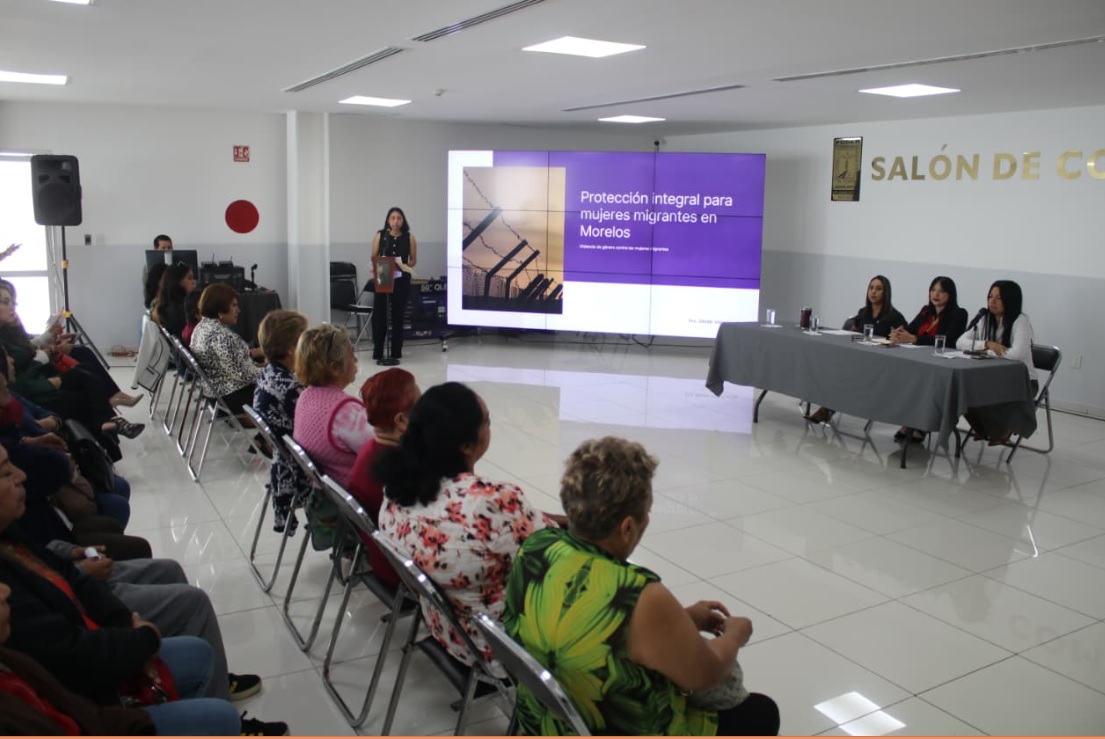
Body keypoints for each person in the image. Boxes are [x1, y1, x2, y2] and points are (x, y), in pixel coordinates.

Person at [503, 437, 780, 736]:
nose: (647, 519)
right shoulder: (640, 593)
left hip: (545, 721)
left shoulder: (538, 546)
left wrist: (683, 619)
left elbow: (592, 630)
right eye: (646, 512)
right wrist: (736, 634)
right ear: (627, 528)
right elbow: (706, 674)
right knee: (761, 712)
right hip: (618, 727)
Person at [0, 446, 287, 735]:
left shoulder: (10, 535)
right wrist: (141, 641)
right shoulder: (10, 593)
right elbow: (73, 655)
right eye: (6, 472)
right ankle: (218, 713)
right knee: (194, 605)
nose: (20, 475)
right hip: (90, 694)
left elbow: (68, 575)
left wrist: (125, 623)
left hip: (86, 615)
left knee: (171, 573)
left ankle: (214, 687)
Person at [376, 382, 556, 674]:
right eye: (487, 422)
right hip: (502, 650)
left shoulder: (395, 489)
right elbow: (557, 555)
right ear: (467, 445)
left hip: (447, 628)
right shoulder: (492, 503)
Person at [0, 581, 266, 736]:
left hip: (99, 699)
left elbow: (79, 580)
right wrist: (140, 642)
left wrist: (130, 634)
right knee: (222, 717)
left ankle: (212, 694)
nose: (4, 591)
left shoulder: (11, 659)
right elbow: (75, 656)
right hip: (99, 689)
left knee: (199, 652)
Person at [0, 281, 142, 443]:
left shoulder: (10, 327)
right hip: (32, 383)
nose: (12, 308)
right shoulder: (6, 338)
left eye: (13, 302)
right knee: (83, 386)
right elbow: (19, 379)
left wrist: (48, 343)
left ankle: (109, 419)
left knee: (85, 369)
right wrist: (45, 358)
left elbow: (28, 347)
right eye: (6, 302)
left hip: (35, 376)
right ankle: (107, 424)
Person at [347, 368, 420, 588]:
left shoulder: (369, 450)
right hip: (406, 572)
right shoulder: (403, 469)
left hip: (382, 558)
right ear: (401, 420)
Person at [806, 275, 906, 424]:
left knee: (844, 373)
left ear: (886, 293)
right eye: (871, 288)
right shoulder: (863, 312)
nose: (873, 292)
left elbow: (902, 339)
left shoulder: (895, 317)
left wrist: (896, 338)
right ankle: (827, 407)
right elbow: (853, 333)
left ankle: (827, 408)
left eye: (878, 289)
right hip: (859, 359)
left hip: (879, 364)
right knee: (834, 367)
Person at [956, 280, 1038, 445]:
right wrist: (988, 344)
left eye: (998, 298)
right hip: (992, 376)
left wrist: (986, 351)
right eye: (990, 296)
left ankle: (1000, 430)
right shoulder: (985, 319)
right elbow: (960, 342)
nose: (992, 301)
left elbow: (1016, 354)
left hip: (1022, 381)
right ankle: (987, 430)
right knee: (963, 392)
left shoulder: (1020, 321)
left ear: (1010, 300)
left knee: (980, 392)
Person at [889, 276, 970, 442]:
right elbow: (910, 330)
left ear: (950, 294)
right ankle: (910, 420)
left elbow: (949, 341)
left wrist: (914, 339)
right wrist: (899, 334)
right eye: (933, 290)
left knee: (922, 381)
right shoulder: (926, 311)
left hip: (940, 364)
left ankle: (918, 424)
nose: (936, 294)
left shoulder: (959, 314)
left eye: (941, 291)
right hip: (918, 361)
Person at [292, 324, 371, 488]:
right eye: (351, 354)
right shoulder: (346, 413)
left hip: (328, 493)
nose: (356, 360)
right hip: (357, 493)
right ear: (335, 368)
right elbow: (383, 453)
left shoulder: (305, 397)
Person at [254, 310, 310, 533]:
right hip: (301, 473)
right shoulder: (290, 389)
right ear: (291, 350)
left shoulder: (268, 374)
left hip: (283, 463)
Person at [189, 284, 264, 415]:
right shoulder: (222, 336)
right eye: (234, 305)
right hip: (230, 397)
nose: (239, 310)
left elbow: (235, 364)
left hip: (214, 394)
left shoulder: (201, 327)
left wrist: (261, 366)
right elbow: (243, 375)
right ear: (220, 310)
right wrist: (275, 373)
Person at [370, 206, 418, 364]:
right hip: (384, 275)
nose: (395, 221)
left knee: (398, 314)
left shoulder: (409, 237)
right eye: (393, 218)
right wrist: (383, 262)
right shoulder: (381, 235)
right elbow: (373, 256)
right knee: (380, 314)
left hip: (401, 278)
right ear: (388, 220)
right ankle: (378, 350)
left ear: (403, 221)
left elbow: (413, 260)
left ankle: (396, 351)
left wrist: (404, 265)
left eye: (399, 218)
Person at [152, 261, 198, 341]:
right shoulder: (180, 310)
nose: (194, 282)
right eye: (189, 278)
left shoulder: (165, 304)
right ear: (177, 282)